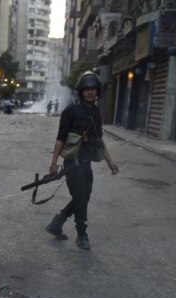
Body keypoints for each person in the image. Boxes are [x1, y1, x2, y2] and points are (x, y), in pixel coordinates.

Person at [45, 71, 120, 250]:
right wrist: (54, 163)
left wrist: (110, 161)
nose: (90, 92)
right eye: (87, 89)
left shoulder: (96, 113)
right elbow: (60, 138)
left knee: (82, 197)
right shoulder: (71, 111)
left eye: (93, 89)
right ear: (81, 92)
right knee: (81, 197)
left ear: (97, 92)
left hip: (86, 165)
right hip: (73, 163)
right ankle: (82, 234)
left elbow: (99, 140)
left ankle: (58, 222)